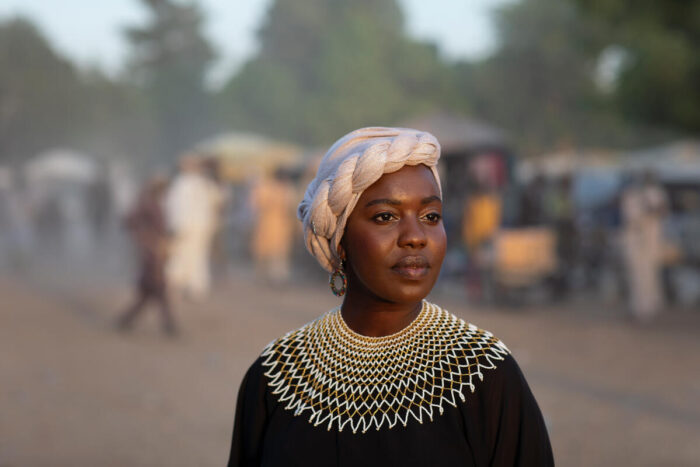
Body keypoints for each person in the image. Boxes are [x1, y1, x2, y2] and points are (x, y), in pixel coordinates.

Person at [227, 127, 553, 466]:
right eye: (386, 217)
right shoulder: (277, 376)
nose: (415, 237)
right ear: (340, 239)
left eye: (431, 217)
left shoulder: (484, 373)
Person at [117, 176, 177, 335]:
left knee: (150, 291)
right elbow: (128, 222)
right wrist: (145, 238)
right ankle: (168, 325)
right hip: (151, 251)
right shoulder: (147, 204)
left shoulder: (153, 203)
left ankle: (126, 320)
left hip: (155, 250)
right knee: (158, 286)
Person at [165, 156, 225, 300]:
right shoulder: (203, 183)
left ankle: (185, 285)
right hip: (200, 226)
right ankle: (193, 287)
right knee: (195, 256)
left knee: (184, 255)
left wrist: (174, 227)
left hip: (187, 225)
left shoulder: (182, 184)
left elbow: (175, 207)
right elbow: (218, 201)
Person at [621, 170, 669, 321]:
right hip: (635, 238)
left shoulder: (656, 193)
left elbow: (662, 211)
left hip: (651, 239)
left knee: (650, 274)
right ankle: (638, 309)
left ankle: (650, 307)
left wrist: (649, 205)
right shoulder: (630, 194)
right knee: (637, 275)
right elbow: (630, 217)